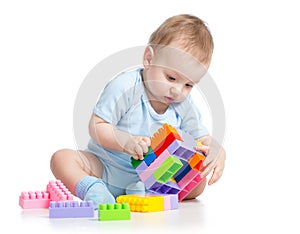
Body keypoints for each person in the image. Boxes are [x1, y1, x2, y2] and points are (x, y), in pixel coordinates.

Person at [50, 14, 226, 208]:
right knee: (62, 158)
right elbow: (97, 126)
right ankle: (94, 189)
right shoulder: (125, 87)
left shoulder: (184, 105)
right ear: (149, 59)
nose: (178, 90)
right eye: (171, 78)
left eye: (189, 84)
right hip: (106, 169)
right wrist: (125, 141)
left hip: (155, 179)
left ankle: (148, 194)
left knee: (199, 180)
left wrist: (216, 150)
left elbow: (202, 138)